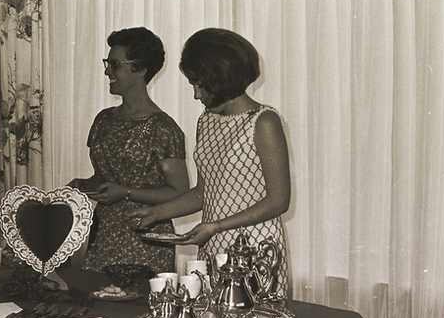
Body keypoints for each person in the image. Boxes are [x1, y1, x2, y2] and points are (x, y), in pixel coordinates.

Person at [127, 28, 290, 297]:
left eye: (199, 84)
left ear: (222, 78)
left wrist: (216, 226)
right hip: (212, 244)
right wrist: (156, 213)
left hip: (254, 249)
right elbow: (204, 193)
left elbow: (278, 200)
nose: (196, 94)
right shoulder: (206, 121)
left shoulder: (264, 121)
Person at [69, 27, 190, 274]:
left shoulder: (163, 127)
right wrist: (83, 185)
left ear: (141, 69)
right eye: (107, 63)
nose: (107, 71)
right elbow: (107, 177)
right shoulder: (103, 119)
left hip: (146, 239)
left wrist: (125, 192)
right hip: (104, 234)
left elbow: (179, 192)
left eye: (115, 65)